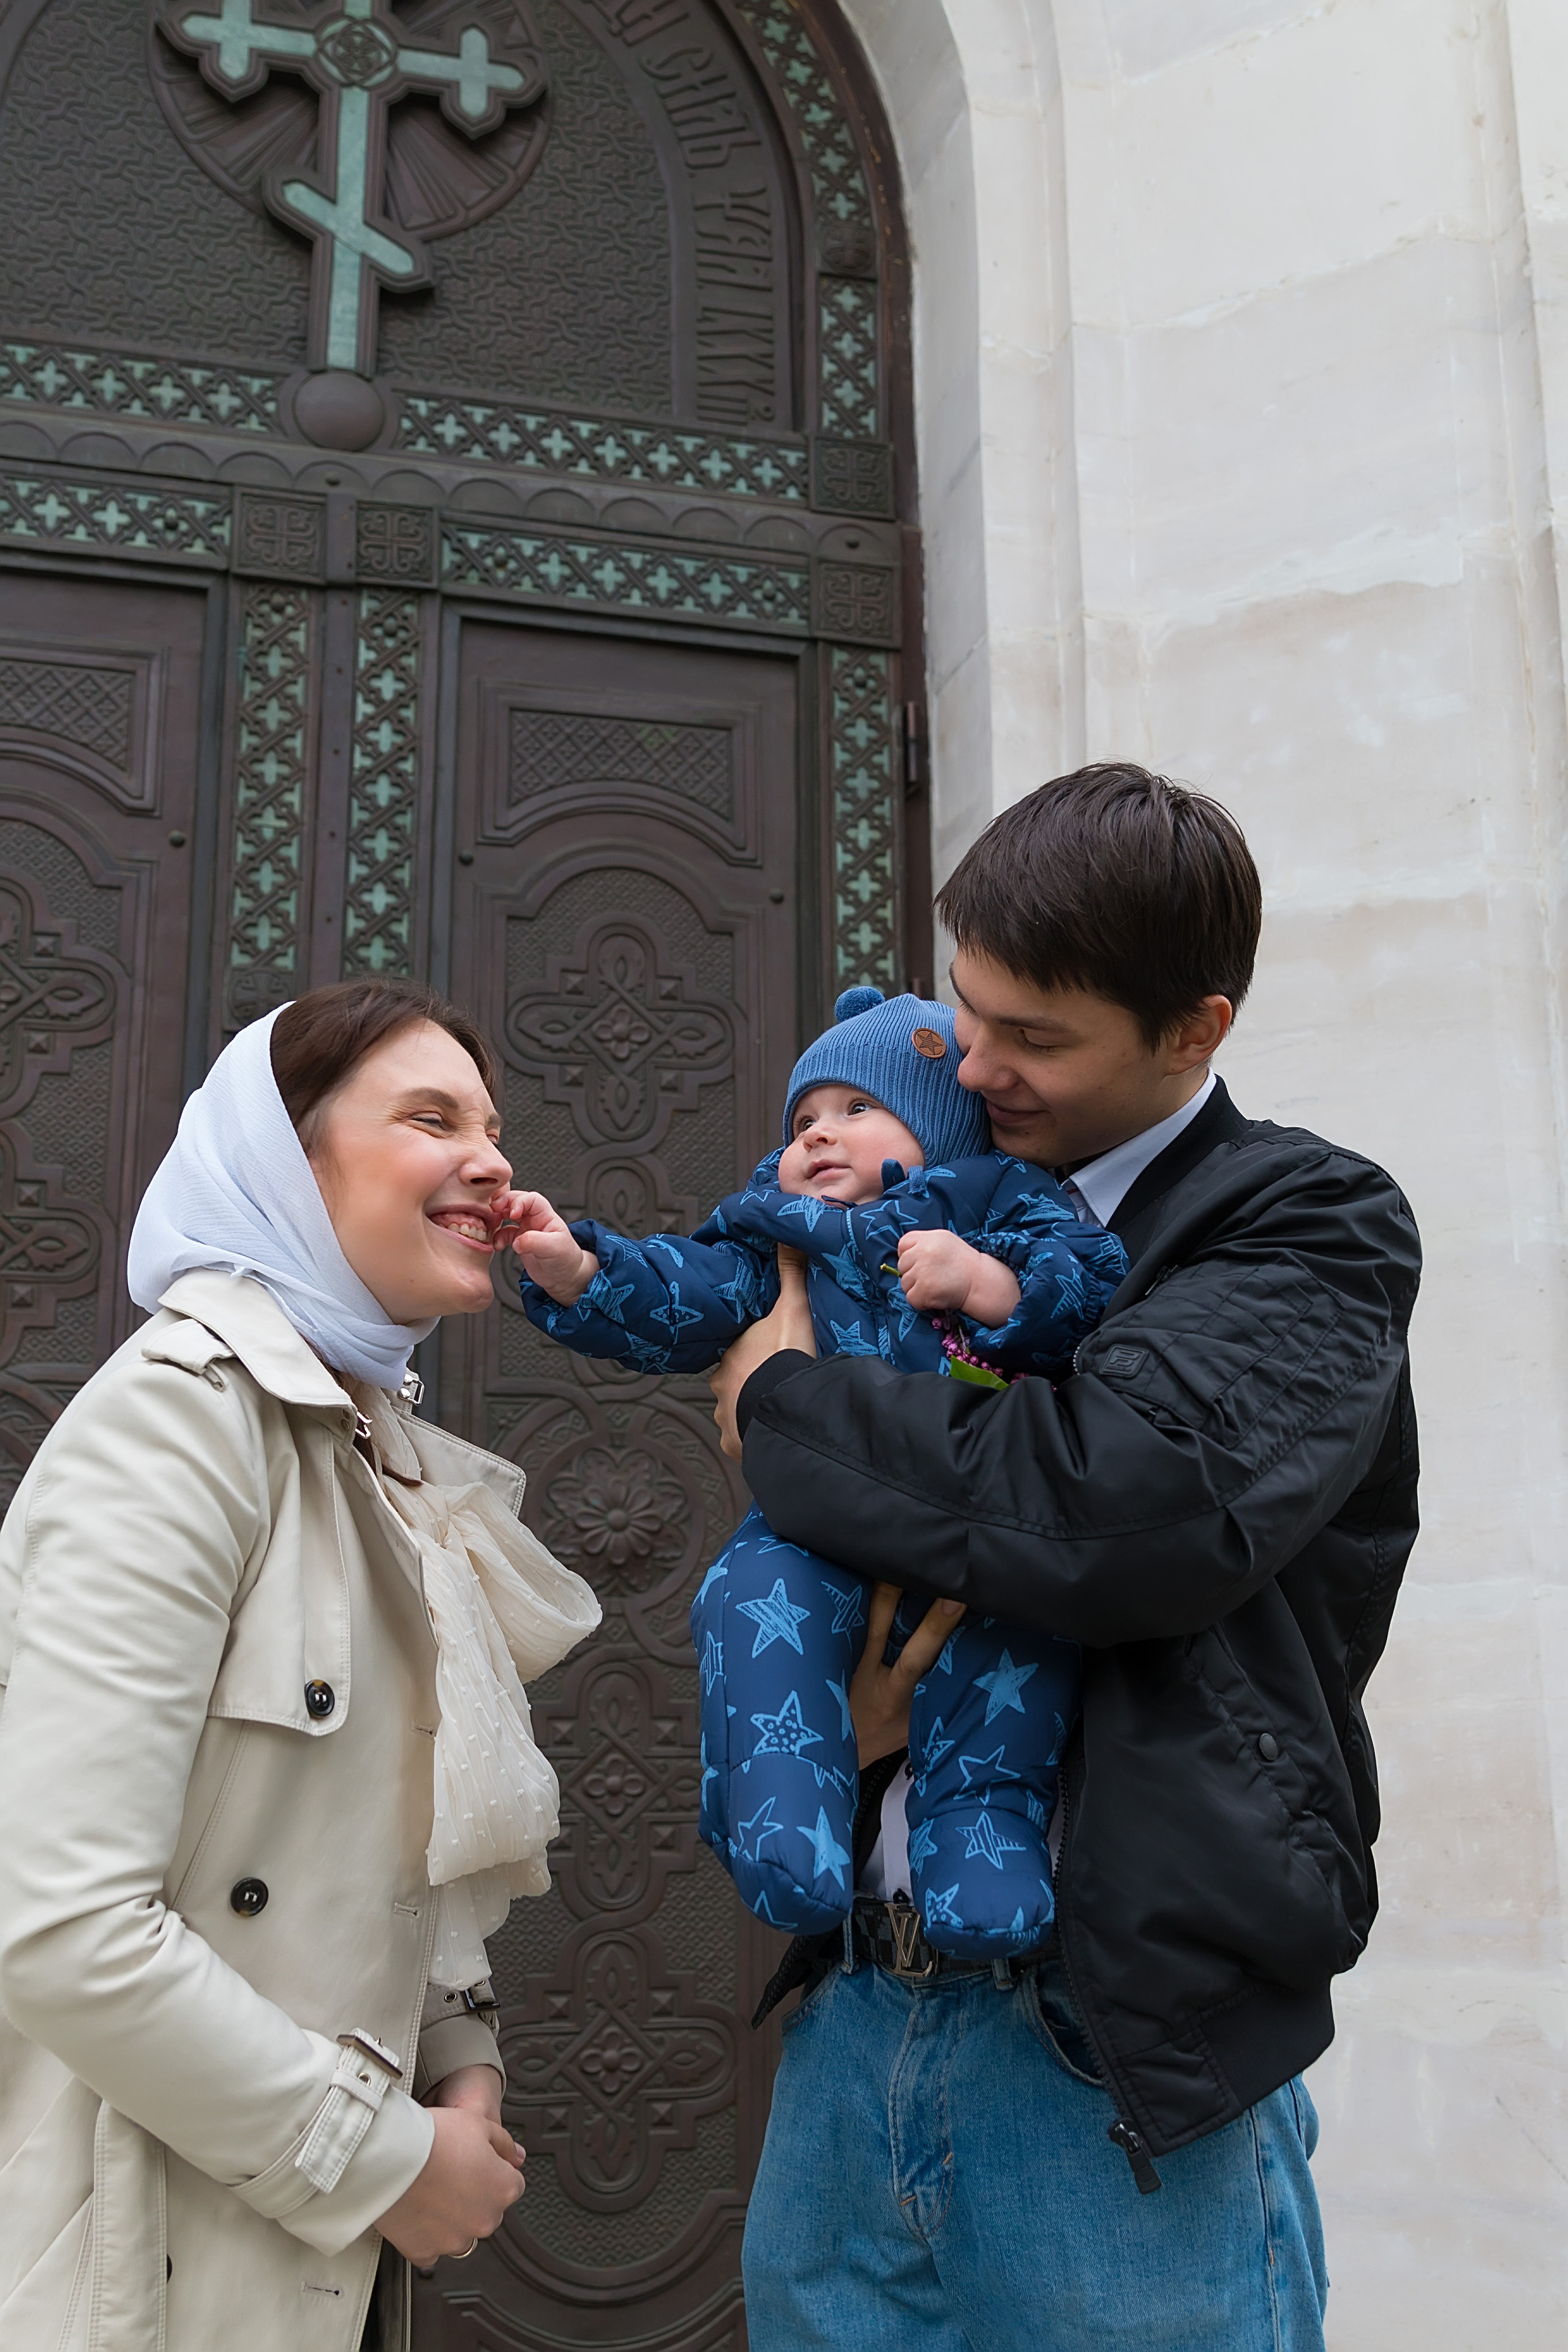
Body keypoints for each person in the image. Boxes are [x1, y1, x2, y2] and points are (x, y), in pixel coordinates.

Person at [710, 766, 1422, 2352]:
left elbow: (1104, 1505)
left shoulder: (1301, 1226)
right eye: (967, 1017)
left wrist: (779, 1404)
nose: (976, 1067)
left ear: (1196, 1031)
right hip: (853, 2011)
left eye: (1035, 1038)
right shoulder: (918, 1193)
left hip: (1107, 2060)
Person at [0, 981, 601, 2352]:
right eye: (431, 1118)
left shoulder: (361, 1448)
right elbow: (65, 1934)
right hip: (139, 2262)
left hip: (302, 2262)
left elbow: (382, 1853)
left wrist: (462, 2066)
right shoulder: (177, 1426)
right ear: (287, 1156)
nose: (494, 1158)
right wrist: (382, 2165)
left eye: (496, 1126)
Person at [494, 987, 1126, 1956]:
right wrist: (580, 1272)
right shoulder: (775, 1238)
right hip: (817, 1533)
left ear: (943, 1129)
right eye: (804, 1121)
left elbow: (1090, 1282)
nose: (821, 1135)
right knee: (748, 1599)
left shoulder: (1000, 1202)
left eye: (857, 1111)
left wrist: (986, 1283)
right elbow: (689, 1293)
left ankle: (981, 1828)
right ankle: (788, 1812)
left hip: (980, 1524)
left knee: (1019, 1655)